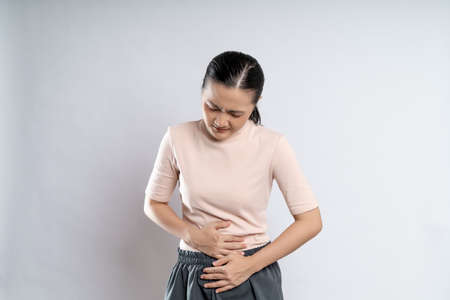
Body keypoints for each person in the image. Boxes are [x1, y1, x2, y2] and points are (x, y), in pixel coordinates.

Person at [143, 50, 323, 300]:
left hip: (252, 274)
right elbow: (153, 203)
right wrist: (191, 234)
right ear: (202, 91)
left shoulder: (273, 145)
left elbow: (311, 221)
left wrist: (250, 265)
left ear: (255, 103)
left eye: (235, 113)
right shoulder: (177, 138)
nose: (220, 121)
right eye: (212, 106)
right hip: (192, 273)